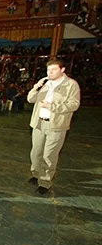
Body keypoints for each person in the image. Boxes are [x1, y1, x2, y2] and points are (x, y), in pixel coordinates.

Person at [27, 59, 80, 194]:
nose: (49, 72)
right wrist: (35, 88)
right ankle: (36, 173)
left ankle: (45, 182)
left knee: (49, 155)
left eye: (53, 69)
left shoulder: (71, 85)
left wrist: (52, 106)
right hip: (39, 123)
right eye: (48, 70)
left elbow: (74, 104)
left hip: (56, 125)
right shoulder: (44, 83)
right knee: (36, 152)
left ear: (62, 70)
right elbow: (30, 99)